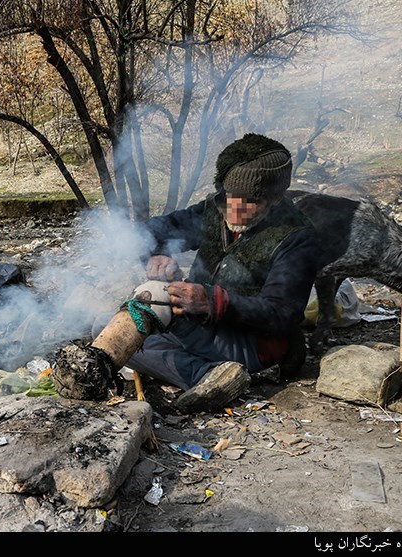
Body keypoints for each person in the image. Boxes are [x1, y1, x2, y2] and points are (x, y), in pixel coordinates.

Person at [95, 133, 321, 413]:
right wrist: (156, 255)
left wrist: (214, 302)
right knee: (109, 332)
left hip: (251, 343)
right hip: (200, 326)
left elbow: (282, 314)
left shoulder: (297, 237)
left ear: (274, 199)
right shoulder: (215, 210)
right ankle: (212, 373)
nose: (235, 210)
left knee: (136, 330)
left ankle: (207, 377)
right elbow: (153, 231)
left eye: (250, 202)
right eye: (230, 197)